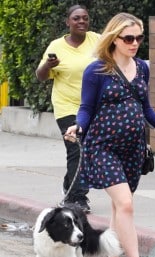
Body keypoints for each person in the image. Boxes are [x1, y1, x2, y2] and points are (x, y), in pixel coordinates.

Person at [65, 12, 155, 257]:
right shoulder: (96, 71)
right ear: (114, 39)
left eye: (139, 37)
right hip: (103, 147)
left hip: (132, 150)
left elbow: (145, 109)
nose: (135, 43)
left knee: (119, 209)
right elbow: (86, 108)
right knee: (126, 205)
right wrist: (78, 127)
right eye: (129, 38)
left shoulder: (142, 68)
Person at [36, 5, 100, 213]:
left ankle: (69, 185)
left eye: (85, 18)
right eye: (76, 18)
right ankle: (76, 198)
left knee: (87, 151)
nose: (81, 21)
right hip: (67, 107)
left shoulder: (97, 41)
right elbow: (41, 75)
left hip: (91, 107)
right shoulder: (57, 45)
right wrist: (48, 65)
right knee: (77, 149)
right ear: (68, 22)